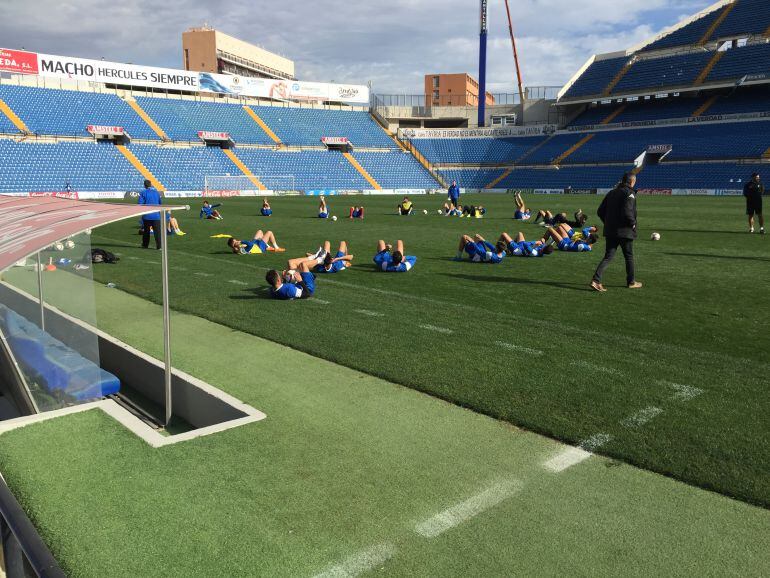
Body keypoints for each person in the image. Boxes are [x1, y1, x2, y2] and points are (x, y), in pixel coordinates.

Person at [591, 172, 641, 292]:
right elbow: (627, 211)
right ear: (632, 182)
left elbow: (600, 211)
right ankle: (631, 282)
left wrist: (607, 223)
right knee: (628, 257)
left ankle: (596, 280)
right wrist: (632, 223)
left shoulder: (611, 192)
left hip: (611, 231)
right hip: (625, 231)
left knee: (608, 257)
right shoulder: (630, 193)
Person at [138, 179, 162, 250]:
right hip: (156, 215)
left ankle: (145, 245)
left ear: (144, 185)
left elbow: (140, 204)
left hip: (147, 215)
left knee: (146, 231)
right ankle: (159, 246)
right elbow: (160, 203)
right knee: (157, 232)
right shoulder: (156, 192)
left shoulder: (143, 192)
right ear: (151, 184)